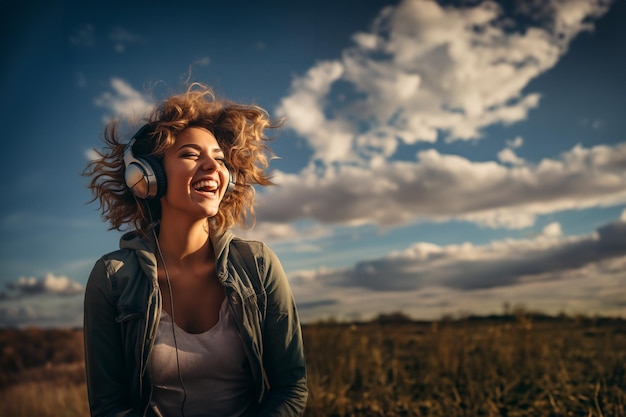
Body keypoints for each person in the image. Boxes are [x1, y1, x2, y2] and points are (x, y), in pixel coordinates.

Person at [83, 83, 308, 417]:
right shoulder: (112, 279)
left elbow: (291, 389)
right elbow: (109, 407)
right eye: (191, 155)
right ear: (146, 177)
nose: (213, 167)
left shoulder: (259, 265)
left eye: (218, 159)